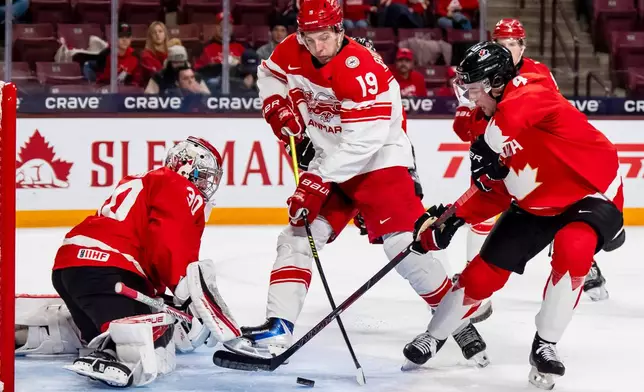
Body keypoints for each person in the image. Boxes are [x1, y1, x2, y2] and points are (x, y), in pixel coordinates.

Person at [230, 0, 489, 366]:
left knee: (403, 246)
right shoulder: (293, 48)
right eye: (309, 37)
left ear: (339, 30)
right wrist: (275, 105)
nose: (317, 47)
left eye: (324, 37)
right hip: (329, 158)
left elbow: (362, 141)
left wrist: (316, 180)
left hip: (378, 160)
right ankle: (278, 327)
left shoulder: (360, 69)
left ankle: (455, 317)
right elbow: (270, 74)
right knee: (297, 237)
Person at [403, 42, 624, 390]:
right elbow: (495, 190)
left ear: (496, 82)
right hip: (535, 204)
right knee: (481, 276)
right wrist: (451, 219)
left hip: (589, 192)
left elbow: (510, 119)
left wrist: (487, 147)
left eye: (475, 90)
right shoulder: (486, 125)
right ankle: (435, 335)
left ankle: (545, 345)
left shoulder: (531, 90)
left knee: (573, 249)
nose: (471, 98)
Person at [51, 137, 242, 387]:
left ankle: (77, 335)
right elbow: (168, 242)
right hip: (110, 269)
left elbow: (144, 242)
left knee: (103, 329)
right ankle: (109, 351)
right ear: (186, 167)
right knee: (144, 343)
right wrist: (184, 293)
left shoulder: (141, 179)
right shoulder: (178, 185)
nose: (206, 183)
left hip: (70, 267)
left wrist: (166, 297)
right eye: (203, 175)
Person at [453, 18, 608, 301]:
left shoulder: (538, 73)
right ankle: (473, 272)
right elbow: (463, 124)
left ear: (522, 46)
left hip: (531, 156)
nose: (507, 49)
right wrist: (481, 132)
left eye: (512, 44)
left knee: (559, 211)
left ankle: (586, 263)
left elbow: (550, 115)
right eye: (501, 44)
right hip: (493, 150)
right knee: (483, 209)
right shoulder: (477, 70)